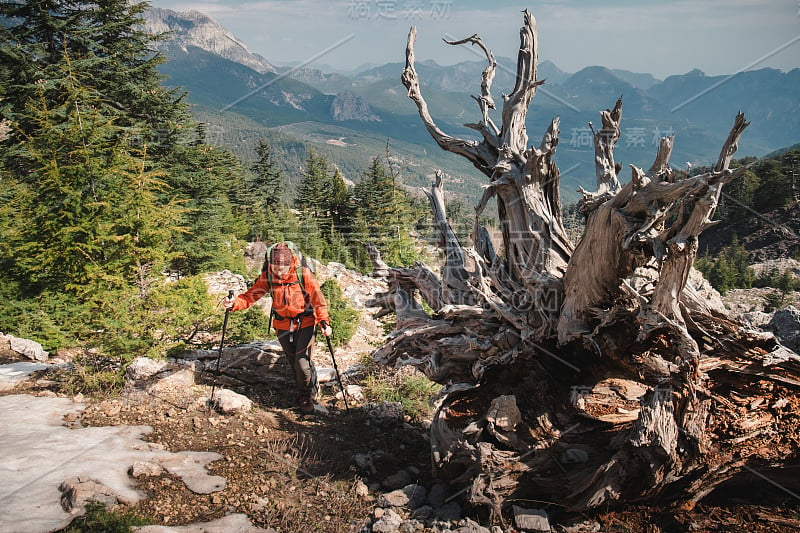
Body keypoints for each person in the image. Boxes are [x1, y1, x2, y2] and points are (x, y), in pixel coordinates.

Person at [223, 242, 332, 414]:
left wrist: (324, 322)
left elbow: (318, 300)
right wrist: (234, 303)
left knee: (302, 364)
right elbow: (250, 297)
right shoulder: (268, 277)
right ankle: (306, 386)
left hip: (305, 323)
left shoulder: (303, 274)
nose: (279, 272)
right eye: (275, 268)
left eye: (282, 268)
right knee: (292, 361)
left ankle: (305, 395)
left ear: (290, 264)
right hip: (282, 324)